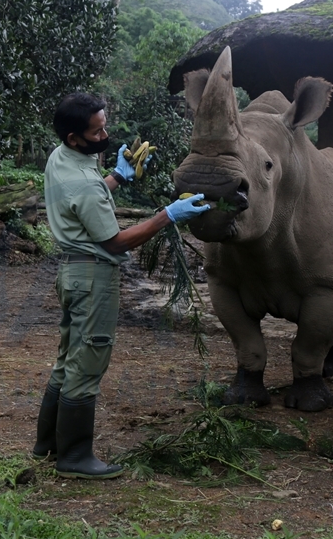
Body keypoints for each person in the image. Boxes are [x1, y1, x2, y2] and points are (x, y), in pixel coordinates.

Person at [32, 92, 209, 479]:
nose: (106, 134)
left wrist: (115, 177)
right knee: (89, 360)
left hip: (71, 271)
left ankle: (48, 444)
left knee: (68, 357)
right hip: (93, 276)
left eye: (104, 124)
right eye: (97, 131)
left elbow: (83, 199)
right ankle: (75, 458)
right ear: (76, 137)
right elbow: (115, 241)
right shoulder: (84, 181)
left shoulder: (61, 157)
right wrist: (167, 216)